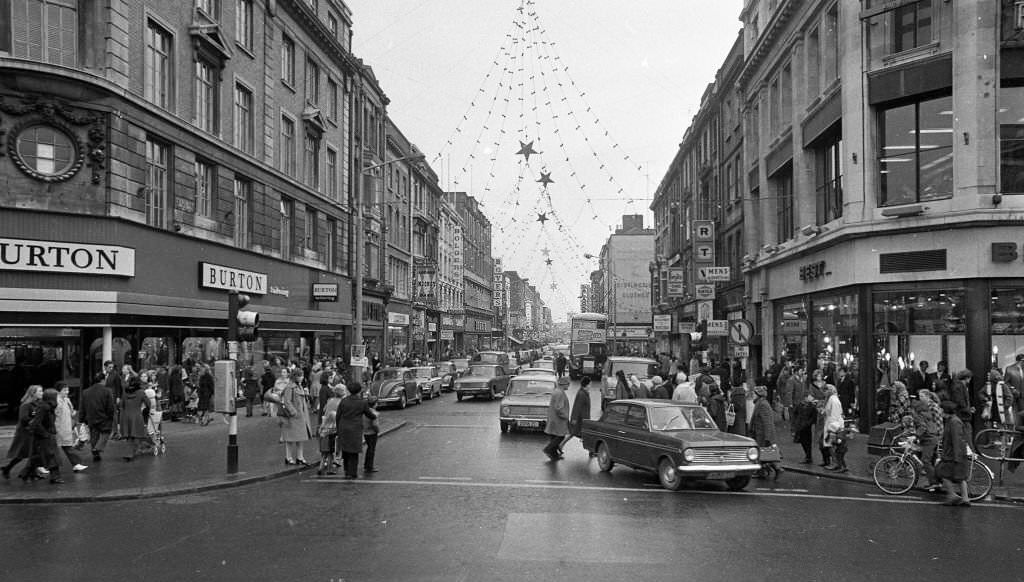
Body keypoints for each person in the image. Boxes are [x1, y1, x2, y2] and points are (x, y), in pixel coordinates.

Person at [1, 385, 43, 479]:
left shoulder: (38, 403)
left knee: (34, 453)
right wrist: (35, 420)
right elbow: (24, 418)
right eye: (40, 391)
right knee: (22, 453)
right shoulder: (26, 405)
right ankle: (7, 468)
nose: (42, 393)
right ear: (33, 393)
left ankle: (32, 473)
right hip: (25, 433)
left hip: (33, 431)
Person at [336, 382, 377, 479]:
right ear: (359, 390)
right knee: (354, 451)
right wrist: (375, 416)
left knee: (345, 450)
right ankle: (352, 472)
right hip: (355, 428)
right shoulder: (362, 402)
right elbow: (368, 414)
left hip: (343, 427)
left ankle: (346, 470)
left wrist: (338, 429)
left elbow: (338, 416)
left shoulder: (344, 401)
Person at [935, 400, 971, 507]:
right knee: (960, 477)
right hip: (953, 453)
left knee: (942, 472)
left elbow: (957, 439)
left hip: (953, 454)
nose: (939, 410)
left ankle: (952, 496)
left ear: (945, 410)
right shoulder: (951, 420)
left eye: (940, 409)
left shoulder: (954, 422)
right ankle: (965, 499)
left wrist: (957, 456)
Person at [25, 388, 62, 484]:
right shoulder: (44, 407)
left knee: (41, 456)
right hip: (44, 436)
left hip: (47, 435)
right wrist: (45, 434)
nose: (57, 399)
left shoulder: (48, 407)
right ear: (51, 398)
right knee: (51, 456)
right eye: (56, 397)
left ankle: (26, 473)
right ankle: (55, 477)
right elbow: (36, 423)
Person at [912, 389, 944, 491]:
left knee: (926, 460)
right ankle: (936, 482)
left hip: (932, 437)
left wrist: (938, 436)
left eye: (921, 396)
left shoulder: (933, 407)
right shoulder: (925, 408)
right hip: (930, 436)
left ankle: (935, 482)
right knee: (931, 460)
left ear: (927, 396)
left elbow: (938, 423)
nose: (920, 398)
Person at [279, 368, 312, 466]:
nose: (302, 377)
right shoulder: (290, 387)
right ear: (296, 376)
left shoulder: (299, 386)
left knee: (300, 438)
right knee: (290, 438)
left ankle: (300, 457)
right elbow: (287, 401)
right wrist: (294, 412)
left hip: (301, 417)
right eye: (300, 375)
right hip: (293, 417)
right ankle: (288, 457)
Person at [79, 373, 115, 462]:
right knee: (106, 432)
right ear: (103, 380)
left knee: (94, 435)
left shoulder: (86, 391)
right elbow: (110, 406)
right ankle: (97, 448)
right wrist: (111, 416)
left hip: (90, 417)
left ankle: (95, 454)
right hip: (103, 417)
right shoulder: (107, 391)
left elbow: (82, 406)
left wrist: (81, 418)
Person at [749, 386, 782, 480]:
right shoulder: (759, 403)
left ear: (758, 395)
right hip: (759, 433)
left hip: (763, 434)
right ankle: (762, 471)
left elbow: (767, 422)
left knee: (765, 454)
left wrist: (767, 437)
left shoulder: (763, 404)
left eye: (754, 394)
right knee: (762, 454)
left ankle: (776, 469)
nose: (752, 396)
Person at [54, 381, 88, 473]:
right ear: (58, 391)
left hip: (66, 427)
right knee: (58, 448)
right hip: (59, 428)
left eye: (67, 390)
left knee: (66, 447)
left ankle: (76, 464)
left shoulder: (66, 399)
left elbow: (71, 411)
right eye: (64, 390)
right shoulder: (56, 401)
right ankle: (42, 466)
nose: (67, 392)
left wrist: (73, 413)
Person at [117, 375, 151, 461]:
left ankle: (130, 452)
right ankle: (131, 453)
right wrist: (146, 409)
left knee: (129, 436)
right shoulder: (141, 392)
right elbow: (148, 403)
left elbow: (121, 405)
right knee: (136, 435)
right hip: (137, 415)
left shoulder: (125, 392)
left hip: (126, 416)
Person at [316, 383, 345, 476]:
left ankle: (321, 467)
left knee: (324, 452)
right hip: (335, 428)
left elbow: (324, 410)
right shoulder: (342, 402)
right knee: (333, 450)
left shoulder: (330, 400)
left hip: (325, 427)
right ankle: (332, 466)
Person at [543, 377, 570, 461]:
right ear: (564, 384)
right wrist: (565, 416)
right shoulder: (560, 393)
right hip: (558, 420)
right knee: (560, 436)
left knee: (554, 436)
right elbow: (559, 408)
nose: (568, 386)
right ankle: (548, 449)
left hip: (553, 418)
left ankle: (554, 454)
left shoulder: (557, 391)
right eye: (568, 384)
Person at [562, 376, 592, 452]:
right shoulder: (582, 394)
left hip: (583, 419)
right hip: (581, 419)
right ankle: (591, 450)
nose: (590, 386)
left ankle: (561, 445)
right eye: (590, 384)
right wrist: (574, 419)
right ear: (586, 384)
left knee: (575, 434)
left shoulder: (584, 393)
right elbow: (577, 407)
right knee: (579, 434)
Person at [820, 385, 844, 470]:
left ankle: (835, 464)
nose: (824, 394)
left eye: (824, 392)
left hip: (833, 426)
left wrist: (832, 428)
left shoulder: (833, 400)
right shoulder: (832, 399)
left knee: (831, 445)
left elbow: (834, 414)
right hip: (831, 424)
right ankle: (834, 463)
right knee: (828, 444)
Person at [792, 393, 818, 464]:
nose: (812, 398)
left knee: (808, 443)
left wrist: (807, 424)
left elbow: (814, 418)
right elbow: (795, 413)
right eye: (810, 397)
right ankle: (807, 456)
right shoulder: (800, 405)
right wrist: (796, 422)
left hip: (807, 427)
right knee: (802, 441)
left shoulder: (812, 407)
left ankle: (808, 457)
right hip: (800, 426)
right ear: (805, 398)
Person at [363, 396, 381, 474]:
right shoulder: (373, 413)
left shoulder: (365, 412)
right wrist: (378, 431)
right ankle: (369, 466)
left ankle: (366, 465)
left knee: (369, 449)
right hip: (372, 433)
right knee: (371, 450)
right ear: (374, 404)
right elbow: (375, 425)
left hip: (365, 432)